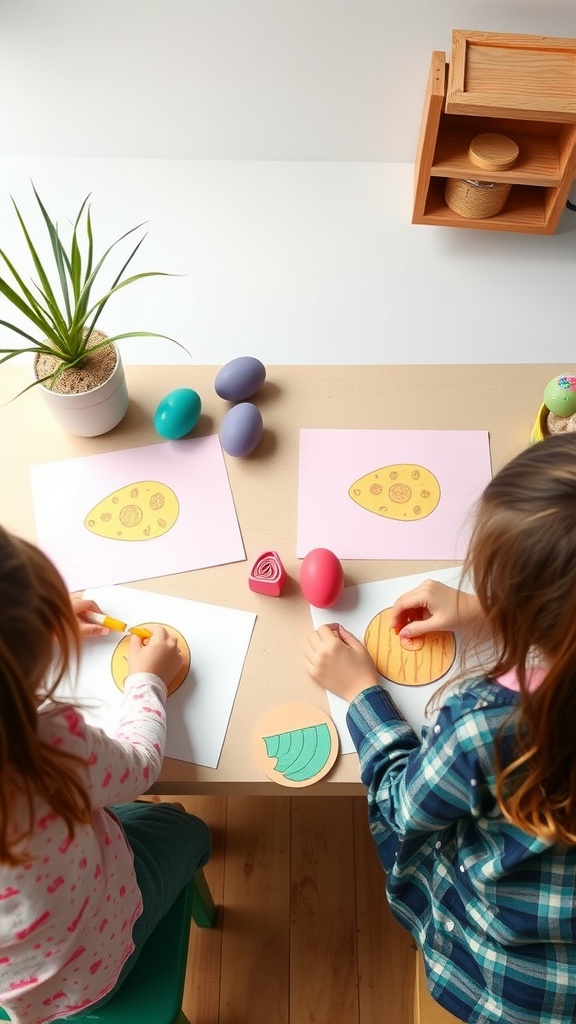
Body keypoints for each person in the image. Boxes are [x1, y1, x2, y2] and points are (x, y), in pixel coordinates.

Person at [305, 433, 576, 1024]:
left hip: (511, 979)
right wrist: (498, 609)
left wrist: (360, 693)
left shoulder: (491, 724)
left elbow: (407, 805)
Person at [0, 526, 211, 1024]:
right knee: (184, 828)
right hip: (97, 965)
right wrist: (148, 679)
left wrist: (36, 629)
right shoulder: (45, 748)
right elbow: (140, 763)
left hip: (19, 997)